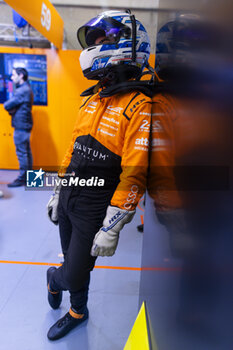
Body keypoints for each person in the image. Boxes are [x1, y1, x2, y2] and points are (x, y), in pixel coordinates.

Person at [46, 10, 152, 341]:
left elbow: (135, 171)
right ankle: (78, 311)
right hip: (70, 192)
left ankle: (53, 278)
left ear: (127, 44)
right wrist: (57, 189)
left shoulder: (139, 105)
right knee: (72, 257)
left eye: (105, 40)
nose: (98, 46)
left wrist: (114, 222)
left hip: (96, 201)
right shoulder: (92, 98)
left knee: (75, 272)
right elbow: (72, 149)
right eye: (98, 41)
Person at [4, 67, 33, 187]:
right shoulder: (26, 88)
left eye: (13, 75)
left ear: (21, 75)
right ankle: (28, 178)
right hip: (24, 124)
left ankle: (22, 179)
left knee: (22, 153)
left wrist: (12, 110)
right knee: (26, 152)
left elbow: (7, 105)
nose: (11, 77)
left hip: (21, 125)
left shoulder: (22, 90)